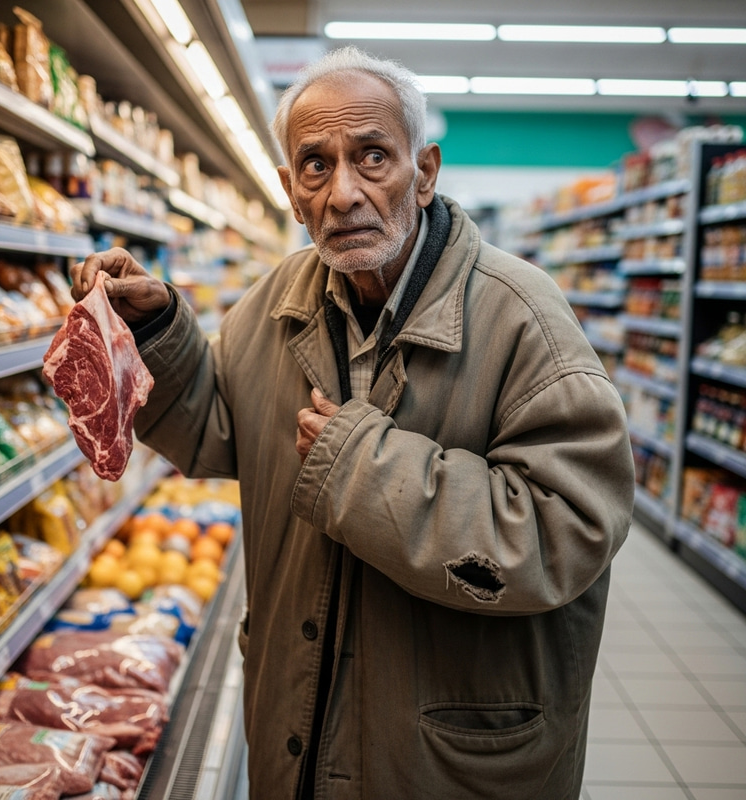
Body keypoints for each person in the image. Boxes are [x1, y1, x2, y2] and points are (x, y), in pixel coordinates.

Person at [70, 46, 634, 800]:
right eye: (315, 165)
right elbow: (219, 432)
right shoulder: (271, 304)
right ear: (289, 192)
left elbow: (571, 528)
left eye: (373, 157)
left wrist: (363, 467)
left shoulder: (522, 316)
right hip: (300, 723)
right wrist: (159, 333)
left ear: (425, 170)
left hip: (444, 753)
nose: (343, 193)